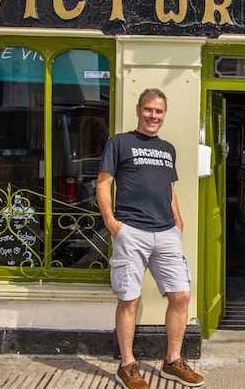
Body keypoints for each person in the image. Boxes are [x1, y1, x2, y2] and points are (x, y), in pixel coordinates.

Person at [96, 88, 204, 389]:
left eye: (158, 111)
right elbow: (103, 184)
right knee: (129, 299)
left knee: (181, 295)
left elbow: (168, 189)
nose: (153, 115)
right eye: (148, 109)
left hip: (166, 232)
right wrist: (111, 221)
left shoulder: (168, 149)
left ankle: (172, 361)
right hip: (131, 231)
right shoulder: (119, 143)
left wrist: (178, 221)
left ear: (163, 114)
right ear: (138, 109)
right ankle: (128, 366)